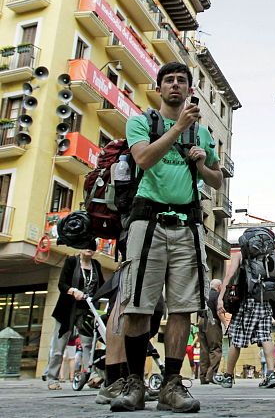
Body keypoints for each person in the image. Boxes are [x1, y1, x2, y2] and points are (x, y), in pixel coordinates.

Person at [112, 61, 221, 413]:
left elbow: (216, 179)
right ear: (159, 88)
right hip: (148, 222)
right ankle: (134, 383)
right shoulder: (141, 121)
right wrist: (178, 129)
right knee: (138, 306)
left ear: (190, 89)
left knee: (183, 306)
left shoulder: (203, 134)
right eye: (169, 80)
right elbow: (143, 158)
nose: (175, 85)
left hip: (188, 226)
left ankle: (172, 385)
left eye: (182, 81)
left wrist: (203, 164)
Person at [216, 250, 275, 389]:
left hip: (247, 302)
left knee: (236, 339)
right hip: (265, 299)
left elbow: (229, 275)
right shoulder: (269, 254)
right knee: (266, 337)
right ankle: (271, 374)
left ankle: (228, 376)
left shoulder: (240, 254)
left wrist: (221, 298)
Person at [45, 244, 105, 390]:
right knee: (59, 345)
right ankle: (52, 378)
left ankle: (91, 376)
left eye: (92, 246)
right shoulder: (71, 261)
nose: (89, 248)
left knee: (87, 344)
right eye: (86, 245)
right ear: (80, 248)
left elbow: (102, 286)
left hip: (87, 310)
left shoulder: (96, 265)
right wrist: (73, 291)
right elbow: (62, 284)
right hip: (67, 309)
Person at [198, 279, 223, 384]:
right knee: (215, 348)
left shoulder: (204, 295)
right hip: (212, 321)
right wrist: (225, 324)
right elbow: (219, 311)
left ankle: (203, 376)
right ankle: (211, 375)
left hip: (201, 321)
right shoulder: (217, 296)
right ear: (219, 286)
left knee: (204, 349)